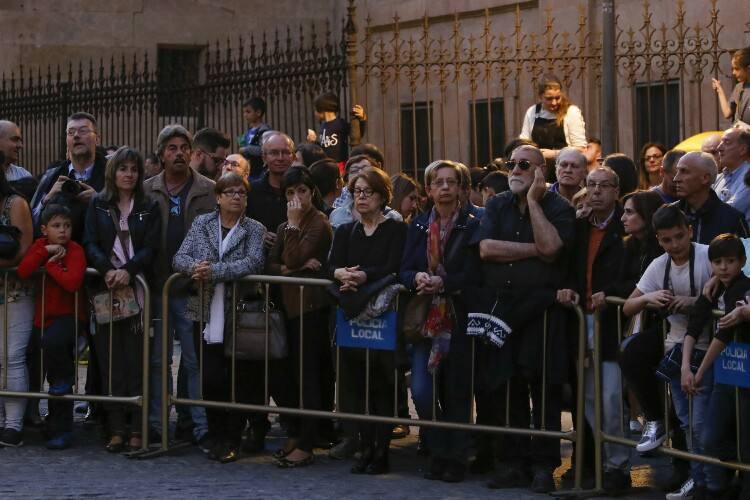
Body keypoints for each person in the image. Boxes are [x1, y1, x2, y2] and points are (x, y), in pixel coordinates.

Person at [475, 145, 575, 493]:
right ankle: (514, 462)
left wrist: (533, 203)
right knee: (507, 387)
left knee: (543, 390)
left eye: (523, 165)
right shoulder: (497, 204)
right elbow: (487, 249)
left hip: (542, 311)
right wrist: (537, 250)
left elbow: (554, 248)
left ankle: (543, 467)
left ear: (540, 172)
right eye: (510, 164)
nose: (514, 170)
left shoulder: (558, 207)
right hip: (504, 308)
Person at [172, 172, 266, 463]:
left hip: (239, 311)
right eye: (231, 192)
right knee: (211, 378)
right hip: (204, 307)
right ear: (218, 197)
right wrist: (195, 268)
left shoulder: (254, 229)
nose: (237, 197)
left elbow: (252, 262)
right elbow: (180, 257)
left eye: (242, 193)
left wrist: (214, 271)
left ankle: (233, 436)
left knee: (237, 379)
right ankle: (214, 432)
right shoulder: (202, 224)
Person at [622, 205, 714, 499]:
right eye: (666, 240)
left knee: (704, 424)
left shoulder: (709, 255)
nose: (675, 246)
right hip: (678, 350)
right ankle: (698, 480)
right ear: (658, 240)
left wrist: (696, 302)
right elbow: (627, 306)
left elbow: (736, 287)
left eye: (679, 237)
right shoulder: (659, 264)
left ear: (689, 231)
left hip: (712, 348)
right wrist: (648, 296)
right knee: (688, 422)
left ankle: (710, 482)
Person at [400, 160, 480, 483]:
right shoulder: (418, 226)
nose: (445, 187)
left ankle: (455, 457)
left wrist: (445, 283)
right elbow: (403, 269)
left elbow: (476, 273)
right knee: (421, 390)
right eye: (438, 182)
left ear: (461, 188)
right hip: (425, 322)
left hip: (458, 318)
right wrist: (416, 276)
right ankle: (437, 447)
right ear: (429, 190)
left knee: (458, 392)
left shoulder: (474, 224)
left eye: (451, 182)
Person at [557, 166, 632, 491]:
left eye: (604, 186)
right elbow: (569, 269)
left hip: (611, 320)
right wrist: (568, 288)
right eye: (592, 185)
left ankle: (618, 466)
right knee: (587, 397)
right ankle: (602, 463)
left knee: (612, 397)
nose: (597, 191)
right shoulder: (578, 227)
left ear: (616, 190)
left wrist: (613, 294)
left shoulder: (627, 225)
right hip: (580, 318)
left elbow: (637, 275)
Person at [329, 166, 407, 475]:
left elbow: (393, 265)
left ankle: (381, 449)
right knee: (356, 384)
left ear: (383, 196)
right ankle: (364, 446)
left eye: (367, 192)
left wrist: (363, 275)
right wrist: (341, 274)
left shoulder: (395, 229)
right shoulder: (347, 230)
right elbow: (332, 264)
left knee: (382, 385)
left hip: (383, 316)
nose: (361, 198)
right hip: (352, 315)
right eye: (356, 192)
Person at [83, 146, 160, 453]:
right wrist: (106, 270)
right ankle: (116, 428)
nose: (129, 174)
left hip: (137, 288)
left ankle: (138, 428)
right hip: (106, 288)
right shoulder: (98, 205)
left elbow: (151, 247)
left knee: (136, 361)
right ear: (112, 172)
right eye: (123, 168)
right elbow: (89, 241)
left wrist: (128, 271)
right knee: (109, 359)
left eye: (134, 169)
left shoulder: (148, 205)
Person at [143, 124, 216, 447]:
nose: (178, 153)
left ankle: (197, 423)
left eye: (184, 147)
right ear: (161, 154)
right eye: (171, 148)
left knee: (193, 358)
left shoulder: (208, 189)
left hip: (195, 289)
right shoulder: (148, 189)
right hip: (158, 288)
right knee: (159, 360)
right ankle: (158, 424)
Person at [267, 166, 334, 468]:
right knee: (287, 376)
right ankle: (296, 432)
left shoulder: (318, 223)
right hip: (288, 308)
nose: (296, 198)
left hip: (311, 309)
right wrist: (291, 270)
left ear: (312, 193)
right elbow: (271, 264)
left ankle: (307, 442)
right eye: (290, 193)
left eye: (302, 191)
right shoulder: (283, 227)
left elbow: (291, 255)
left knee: (309, 377)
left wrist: (293, 228)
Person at [682, 234, 750, 499]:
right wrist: (685, 366)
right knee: (710, 436)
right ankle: (723, 483)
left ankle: (743, 486)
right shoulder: (714, 288)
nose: (723, 267)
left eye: (730, 261)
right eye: (718, 262)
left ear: (742, 262)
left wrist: (697, 372)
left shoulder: (742, 288)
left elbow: (723, 335)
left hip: (742, 372)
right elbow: (695, 323)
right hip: (727, 371)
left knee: (745, 436)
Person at [17, 204, 86, 450]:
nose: (63, 231)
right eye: (57, 226)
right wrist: (45, 251)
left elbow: (72, 281)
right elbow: (24, 271)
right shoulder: (40, 246)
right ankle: (36, 419)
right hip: (41, 318)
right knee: (35, 364)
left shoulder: (76, 250)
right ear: (45, 229)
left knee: (60, 378)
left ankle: (63, 428)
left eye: (67, 226)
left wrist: (52, 267)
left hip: (67, 316)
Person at [30, 112, 105, 242]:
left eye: (83, 131)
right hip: (59, 255)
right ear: (66, 140)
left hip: (101, 256)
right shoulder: (51, 176)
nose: (76, 136)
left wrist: (98, 200)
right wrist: (46, 199)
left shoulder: (112, 173)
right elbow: (31, 224)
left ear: (97, 139)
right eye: (71, 132)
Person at [0, 166, 34, 447]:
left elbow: (24, 251)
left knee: (12, 356)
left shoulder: (16, 203)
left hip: (15, 293)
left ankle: (13, 425)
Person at [672, 151, 749, 243]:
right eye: (677, 171)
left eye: (684, 171)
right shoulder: (669, 214)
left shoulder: (732, 219)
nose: (676, 178)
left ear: (705, 178)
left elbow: (745, 255)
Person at [519, 74, 587, 163]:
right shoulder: (532, 111)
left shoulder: (571, 112)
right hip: (538, 167)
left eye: (557, 98)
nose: (554, 102)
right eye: (549, 99)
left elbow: (581, 149)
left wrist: (554, 154)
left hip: (565, 165)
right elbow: (524, 142)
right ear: (540, 97)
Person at [246, 132, 295, 250]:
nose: (280, 158)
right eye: (274, 153)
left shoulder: (305, 189)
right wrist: (259, 235)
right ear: (264, 157)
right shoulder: (251, 191)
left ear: (293, 156)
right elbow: (241, 225)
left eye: (285, 152)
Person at [329, 154, 403, 228]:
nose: (360, 173)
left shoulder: (393, 218)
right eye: (354, 170)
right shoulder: (337, 215)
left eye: (366, 169)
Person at [307, 92, 367, 165]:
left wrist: (362, 118)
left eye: (316, 110)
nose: (315, 113)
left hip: (340, 165)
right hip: (326, 165)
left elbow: (357, 134)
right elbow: (323, 148)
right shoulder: (322, 126)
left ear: (322, 109)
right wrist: (313, 141)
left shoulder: (340, 124)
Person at [714, 128, 750, 224]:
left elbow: (732, 210)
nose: (719, 148)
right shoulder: (719, 177)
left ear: (743, 149)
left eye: (726, 142)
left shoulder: (748, 177)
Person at [712, 47, 750, 127]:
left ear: (748, 69)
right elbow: (727, 113)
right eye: (732, 69)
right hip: (738, 136)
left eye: (737, 69)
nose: (733, 72)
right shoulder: (739, 88)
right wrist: (720, 90)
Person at [238, 97, 272, 179]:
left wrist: (246, 149)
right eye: (244, 112)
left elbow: (264, 150)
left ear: (258, 112)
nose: (245, 115)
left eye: (248, 112)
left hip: (260, 170)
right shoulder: (248, 132)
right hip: (249, 170)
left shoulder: (264, 131)